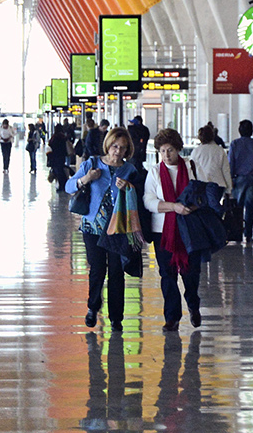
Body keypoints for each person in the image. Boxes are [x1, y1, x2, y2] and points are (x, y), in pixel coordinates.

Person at [66, 128, 145, 332]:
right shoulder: (92, 164)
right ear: (108, 145)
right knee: (97, 269)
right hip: (92, 228)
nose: (117, 151)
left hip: (118, 228)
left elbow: (140, 196)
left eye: (122, 148)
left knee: (117, 273)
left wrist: (128, 186)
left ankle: (116, 317)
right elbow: (69, 186)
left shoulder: (130, 170)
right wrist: (87, 178)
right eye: (114, 146)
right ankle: (93, 307)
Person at [144, 128, 202, 332]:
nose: (166, 155)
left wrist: (193, 206)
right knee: (167, 275)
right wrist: (173, 207)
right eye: (162, 151)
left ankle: (193, 305)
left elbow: (202, 193)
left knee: (191, 273)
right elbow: (149, 201)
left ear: (178, 149)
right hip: (163, 231)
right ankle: (172, 317)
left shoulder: (190, 167)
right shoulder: (154, 172)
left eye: (169, 150)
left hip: (189, 230)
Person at [228, 120, 253, 244]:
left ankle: (238, 232)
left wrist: (230, 180)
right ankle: (249, 234)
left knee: (238, 207)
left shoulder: (234, 144)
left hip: (238, 179)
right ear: (252, 131)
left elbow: (230, 163)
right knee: (250, 208)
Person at [189, 123, 232, 206]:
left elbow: (192, 170)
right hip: (218, 184)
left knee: (204, 208)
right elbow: (226, 171)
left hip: (201, 185)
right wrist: (229, 189)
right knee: (214, 207)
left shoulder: (196, 152)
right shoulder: (219, 151)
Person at [47, 124, 72, 193]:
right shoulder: (63, 137)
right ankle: (63, 185)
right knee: (60, 170)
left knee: (59, 171)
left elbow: (51, 145)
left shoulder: (54, 137)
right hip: (61, 156)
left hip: (55, 157)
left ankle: (62, 185)